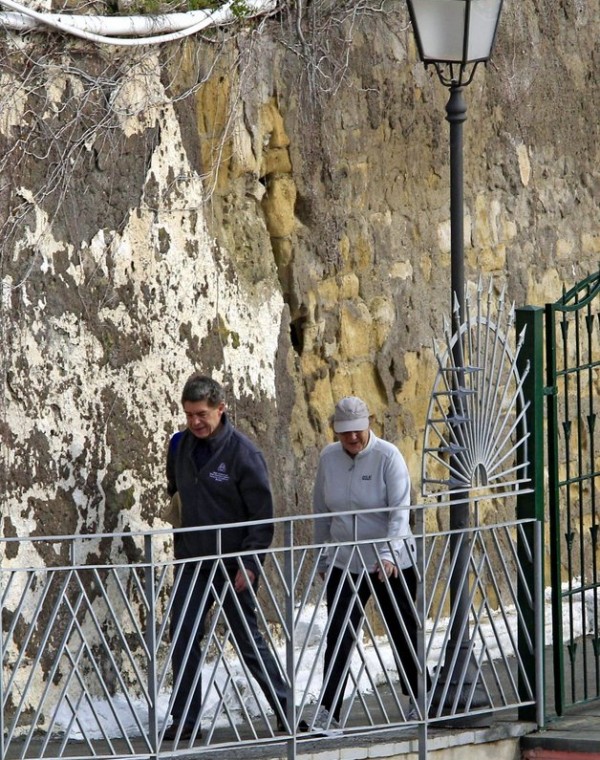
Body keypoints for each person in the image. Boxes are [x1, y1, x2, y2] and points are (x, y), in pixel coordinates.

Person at [165, 374, 305, 743]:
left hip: (233, 564)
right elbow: (175, 491)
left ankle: (287, 712)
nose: (195, 421)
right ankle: (186, 720)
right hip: (193, 560)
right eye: (189, 414)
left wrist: (250, 562)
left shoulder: (244, 453)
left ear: (221, 409)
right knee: (183, 635)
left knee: (247, 639)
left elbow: (261, 517)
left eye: (202, 414)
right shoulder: (178, 445)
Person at [312, 396, 426, 730]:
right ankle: (329, 710)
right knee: (339, 632)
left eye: (357, 430)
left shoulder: (388, 456)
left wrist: (388, 555)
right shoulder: (328, 458)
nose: (352, 438)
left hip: (389, 562)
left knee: (401, 629)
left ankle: (419, 696)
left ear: (369, 424)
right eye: (344, 431)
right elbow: (320, 512)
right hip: (346, 559)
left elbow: (399, 512)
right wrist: (322, 556)